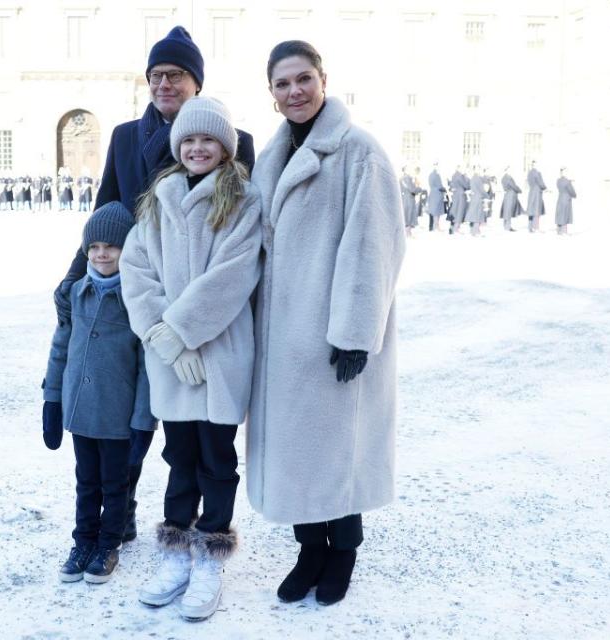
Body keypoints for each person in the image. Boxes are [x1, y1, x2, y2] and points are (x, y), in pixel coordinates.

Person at [49, 25, 257, 543]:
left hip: (205, 320)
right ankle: (121, 512)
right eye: (157, 75)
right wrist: (77, 273)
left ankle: (205, 529)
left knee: (201, 438)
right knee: (132, 421)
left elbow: (244, 238)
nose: (165, 84)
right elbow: (108, 210)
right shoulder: (124, 135)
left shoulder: (237, 143)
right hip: (135, 304)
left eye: (177, 75)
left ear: (196, 84)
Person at [247, 40, 405, 607]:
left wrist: (356, 333)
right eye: (282, 84)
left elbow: (374, 244)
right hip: (280, 335)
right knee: (297, 451)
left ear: (323, 80)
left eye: (303, 79)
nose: (294, 91)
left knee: (341, 446)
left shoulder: (358, 151)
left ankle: (343, 552)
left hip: (332, 332)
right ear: (271, 95)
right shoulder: (270, 156)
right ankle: (309, 547)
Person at [120, 97, 262, 621]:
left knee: (217, 461)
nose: (198, 148)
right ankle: (176, 552)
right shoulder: (158, 199)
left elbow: (233, 276)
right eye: (189, 140)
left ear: (225, 147)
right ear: (179, 147)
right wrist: (164, 339)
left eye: (208, 140)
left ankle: (210, 554)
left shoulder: (244, 200)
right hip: (170, 359)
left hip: (221, 355)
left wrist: (180, 331)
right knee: (179, 457)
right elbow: (136, 272)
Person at [41, 202, 156, 585]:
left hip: (117, 416)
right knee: (85, 481)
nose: (101, 254)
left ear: (127, 250)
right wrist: (52, 399)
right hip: (80, 411)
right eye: (93, 247)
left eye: (111, 246)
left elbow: (147, 367)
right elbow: (60, 348)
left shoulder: (137, 298)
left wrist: (143, 421)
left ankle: (109, 544)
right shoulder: (76, 293)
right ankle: (83, 541)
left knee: (115, 483)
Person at [499, 166, 523, 231]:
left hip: (507, 194)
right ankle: (508, 227)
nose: (511, 171)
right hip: (511, 195)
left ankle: (505, 225)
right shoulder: (508, 177)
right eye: (510, 170)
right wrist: (519, 190)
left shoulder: (503, 178)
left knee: (506, 211)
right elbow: (513, 186)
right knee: (509, 211)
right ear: (506, 170)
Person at [464, 167, 486, 236]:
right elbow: (482, 190)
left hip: (473, 198)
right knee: (477, 215)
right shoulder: (478, 178)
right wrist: (487, 196)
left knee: (474, 215)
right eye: (479, 169)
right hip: (478, 198)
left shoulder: (473, 178)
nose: (480, 170)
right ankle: (475, 231)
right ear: (476, 170)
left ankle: (474, 231)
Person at [400, 166, 421, 237]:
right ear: (405, 170)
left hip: (405, 198)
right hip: (408, 198)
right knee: (409, 214)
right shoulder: (407, 178)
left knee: (407, 214)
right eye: (408, 169)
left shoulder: (402, 178)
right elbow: (412, 189)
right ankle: (408, 233)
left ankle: (408, 233)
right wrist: (419, 189)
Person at [526, 160, 546, 232]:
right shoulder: (537, 173)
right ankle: (536, 228)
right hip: (537, 193)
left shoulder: (529, 173)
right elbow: (541, 183)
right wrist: (545, 188)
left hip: (531, 192)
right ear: (535, 165)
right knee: (537, 210)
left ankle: (530, 227)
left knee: (531, 210)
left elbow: (528, 182)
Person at [555, 167, 577, 235]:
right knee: (565, 215)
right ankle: (564, 232)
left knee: (560, 214)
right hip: (566, 199)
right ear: (564, 172)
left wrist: (569, 181)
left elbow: (562, 186)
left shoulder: (558, 180)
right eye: (566, 171)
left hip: (560, 198)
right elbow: (571, 191)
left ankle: (559, 231)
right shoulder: (567, 181)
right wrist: (574, 195)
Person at [448, 165, 468, 234]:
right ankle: (456, 229)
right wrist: (466, 177)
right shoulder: (460, 176)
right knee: (459, 212)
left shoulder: (453, 175)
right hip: (461, 196)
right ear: (459, 168)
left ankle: (453, 227)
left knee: (455, 211)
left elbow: (451, 185)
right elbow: (466, 185)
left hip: (455, 195)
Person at [427, 162, 446, 231]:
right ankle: (436, 226)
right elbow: (439, 186)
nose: (438, 167)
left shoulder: (431, 175)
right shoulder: (436, 175)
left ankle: (435, 226)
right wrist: (445, 189)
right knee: (436, 212)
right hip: (437, 195)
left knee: (435, 211)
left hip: (433, 194)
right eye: (437, 166)